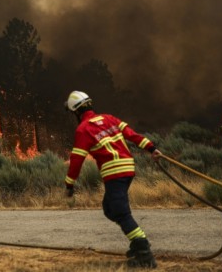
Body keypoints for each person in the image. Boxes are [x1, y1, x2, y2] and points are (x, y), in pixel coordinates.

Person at [64, 90, 161, 268]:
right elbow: (132, 135)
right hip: (128, 168)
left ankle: (144, 252)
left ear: (76, 112)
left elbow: (76, 160)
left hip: (114, 173)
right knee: (109, 209)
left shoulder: (83, 129)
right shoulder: (110, 118)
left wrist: (69, 183)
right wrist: (151, 148)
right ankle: (136, 242)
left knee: (121, 213)